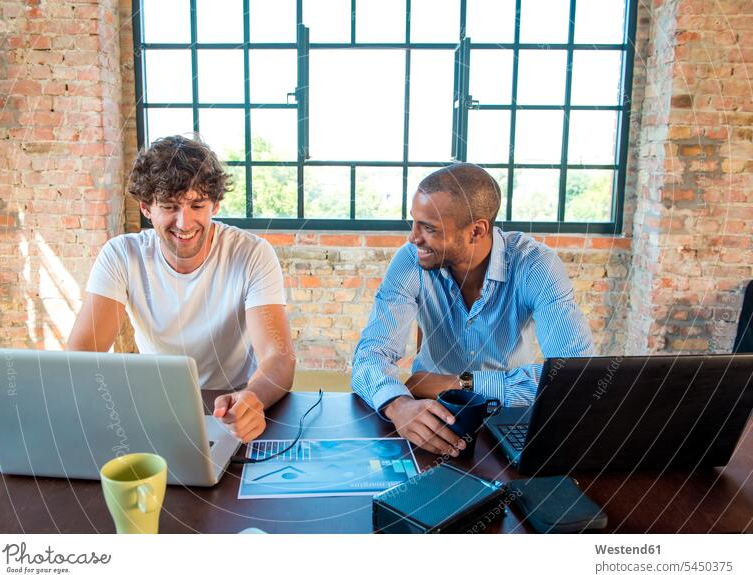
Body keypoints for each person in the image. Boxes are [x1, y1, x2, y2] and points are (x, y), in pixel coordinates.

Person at [351, 163, 594, 457]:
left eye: (429, 228)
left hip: (510, 416)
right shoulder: (410, 261)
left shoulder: (535, 266)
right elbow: (370, 355)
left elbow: (574, 377)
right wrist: (397, 405)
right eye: (414, 222)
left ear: (476, 231)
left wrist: (462, 383)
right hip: (428, 412)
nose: (413, 238)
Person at [68, 135, 295, 443]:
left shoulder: (252, 254)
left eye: (197, 205)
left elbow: (278, 358)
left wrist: (252, 398)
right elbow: (82, 356)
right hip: (155, 410)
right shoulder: (122, 256)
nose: (184, 222)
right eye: (170, 207)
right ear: (146, 208)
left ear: (215, 204)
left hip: (233, 407)